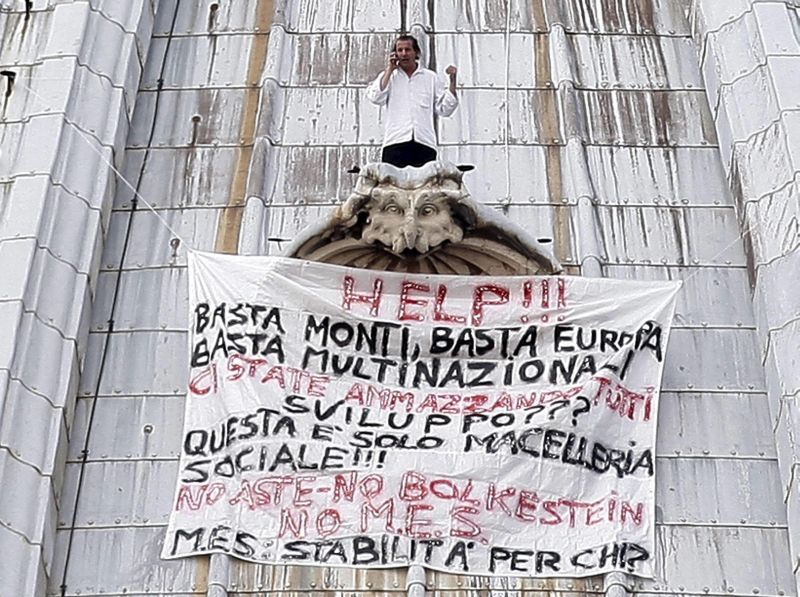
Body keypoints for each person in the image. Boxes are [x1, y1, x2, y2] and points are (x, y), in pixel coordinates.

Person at [366, 34, 458, 168]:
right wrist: (390, 70)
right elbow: (376, 97)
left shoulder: (430, 77)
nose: (404, 54)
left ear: (416, 53)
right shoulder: (389, 77)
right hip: (395, 142)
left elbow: (444, 109)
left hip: (424, 143)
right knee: (393, 187)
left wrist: (453, 81)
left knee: (425, 187)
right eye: (400, 50)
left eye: (408, 50)